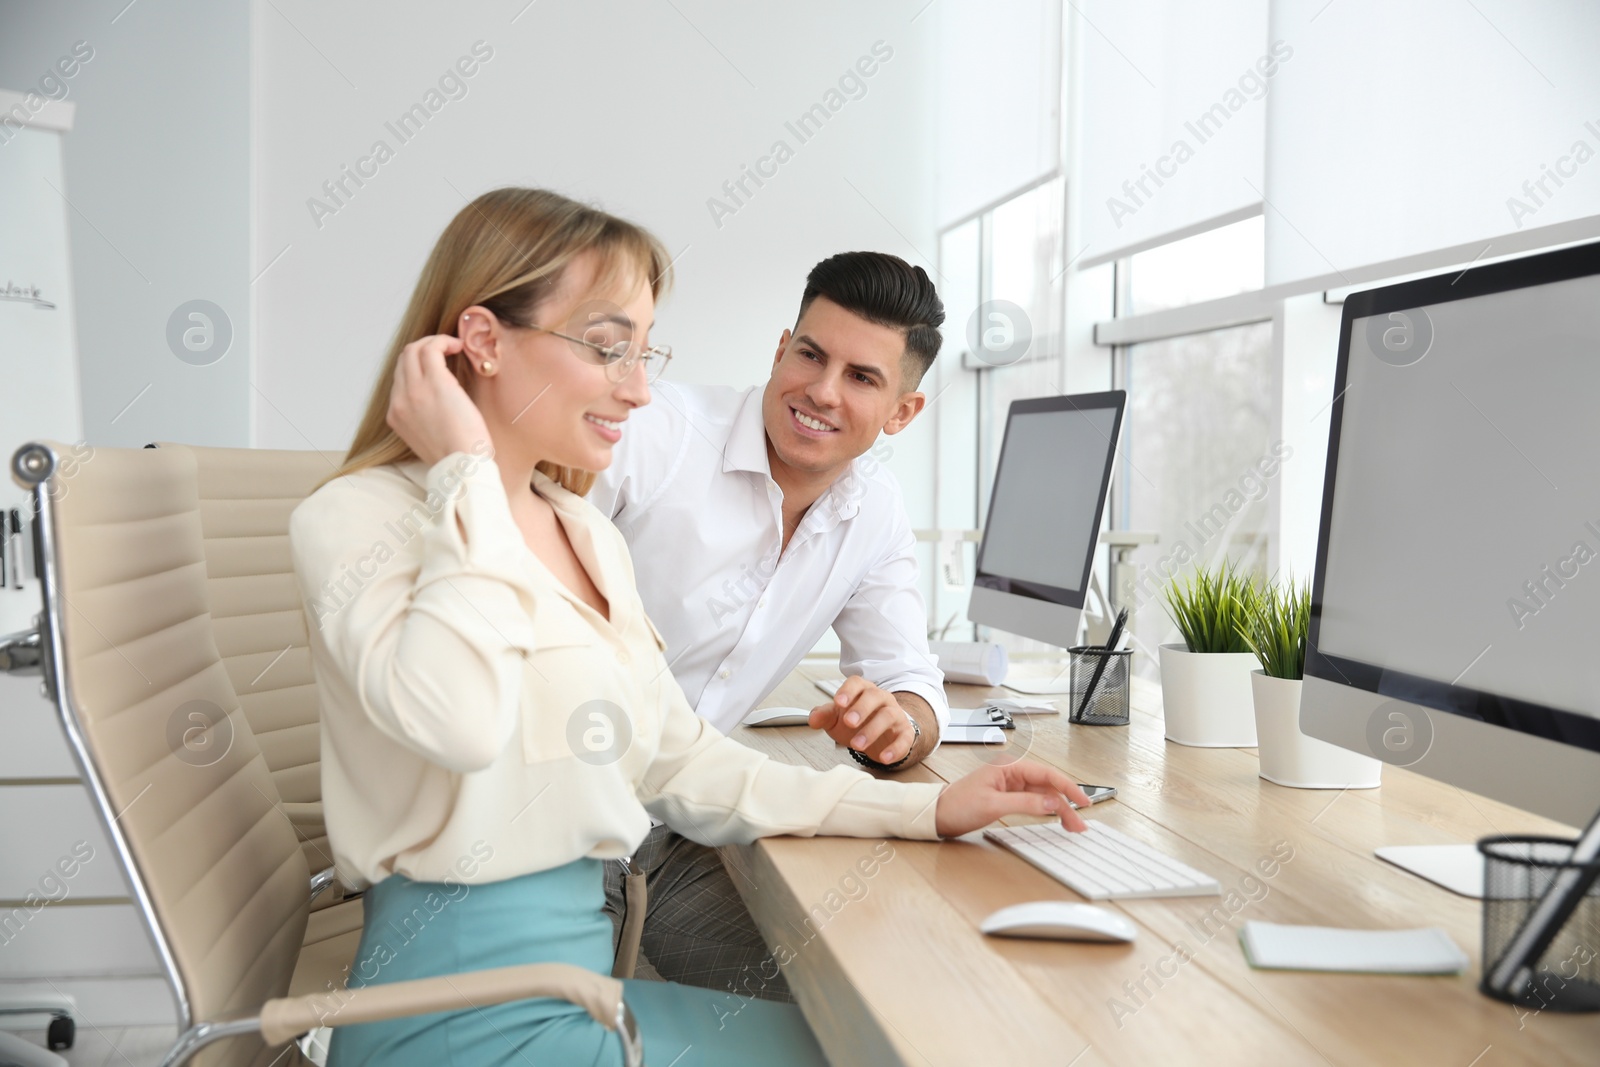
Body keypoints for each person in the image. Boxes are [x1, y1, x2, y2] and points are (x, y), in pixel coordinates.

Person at [289, 186, 1090, 1066]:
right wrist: (469, 475)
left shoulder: (578, 528)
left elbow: (679, 758)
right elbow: (461, 723)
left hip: (579, 985)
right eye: (606, 349)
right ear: (481, 341)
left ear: (900, 408)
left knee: (905, 1033)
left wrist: (930, 805)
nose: (638, 389)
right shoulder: (356, 520)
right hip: (456, 1006)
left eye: (642, 352)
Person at [587, 251, 952, 1001]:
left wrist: (899, 726)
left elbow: (909, 679)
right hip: (566, 833)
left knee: (873, 987)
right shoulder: (649, 436)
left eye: (862, 377)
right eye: (811, 355)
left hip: (676, 836)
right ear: (781, 347)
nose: (820, 391)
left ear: (902, 412)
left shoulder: (873, 509)